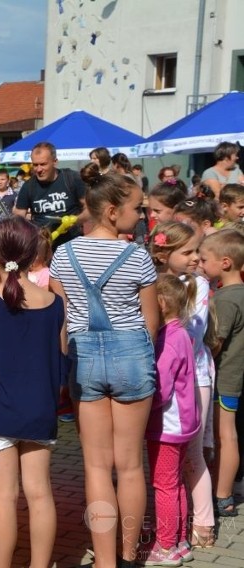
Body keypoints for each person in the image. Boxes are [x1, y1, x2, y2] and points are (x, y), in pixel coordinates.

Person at [49, 163, 159, 568]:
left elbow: (60, 320)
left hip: (83, 356)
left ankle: (105, 561)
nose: (141, 215)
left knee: (95, 465)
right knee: (130, 465)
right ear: (112, 211)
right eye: (136, 208)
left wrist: (65, 367)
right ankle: (129, 555)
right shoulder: (137, 256)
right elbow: (151, 321)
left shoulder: (64, 254)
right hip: (131, 352)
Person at [0, 216, 66, 568]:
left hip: (0, 410)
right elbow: (62, 353)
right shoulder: (54, 303)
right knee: (40, 493)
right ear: (34, 252)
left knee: (3, 495)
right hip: (40, 406)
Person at [148, 223, 215, 549]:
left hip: (190, 385)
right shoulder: (156, 280)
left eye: (197, 252)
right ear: (164, 254)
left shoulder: (196, 286)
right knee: (172, 477)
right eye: (187, 252)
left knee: (190, 459)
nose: (195, 258)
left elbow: (195, 334)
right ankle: (175, 535)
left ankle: (199, 526)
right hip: (181, 389)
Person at [143, 274, 200, 564]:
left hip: (167, 425)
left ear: (161, 304)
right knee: (175, 484)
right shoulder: (183, 333)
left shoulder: (167, 339)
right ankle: (179, 541)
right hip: (182, 425)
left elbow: (161, 388)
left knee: (163, 485)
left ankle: (165, 546)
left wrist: (141, 408)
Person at [198, 230, 244, 518]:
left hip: (226, 378)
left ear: (225, 262)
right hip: (235, 376)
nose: (200, 264)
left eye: (205, 259)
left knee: (225, 435)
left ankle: (222, 495)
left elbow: (216, 342)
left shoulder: (226, 299)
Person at [13, 142, 85, 249]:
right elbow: (18, 217)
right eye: (35, 165)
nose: (38, 169)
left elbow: (91, 209)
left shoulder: (72, 179)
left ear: (55, 162)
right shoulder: (28, 186)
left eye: (43, 164)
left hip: (74, 244)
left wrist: (76, 220)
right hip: (44, 247)